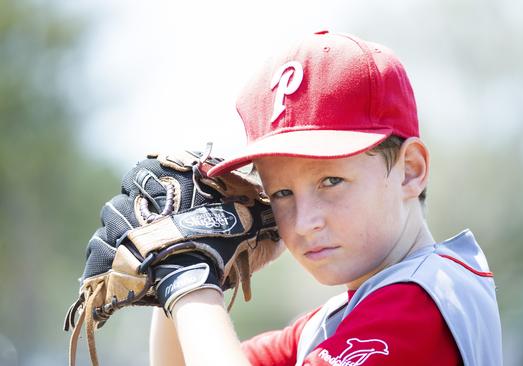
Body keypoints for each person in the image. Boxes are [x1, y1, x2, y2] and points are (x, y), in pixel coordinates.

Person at [149, 30, 502, 366]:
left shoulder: (419, 303)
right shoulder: (336, 320)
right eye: (281, 193)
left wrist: (190, 282)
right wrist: (179, 258)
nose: (304, 222)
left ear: (409, 170)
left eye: (331, 181)